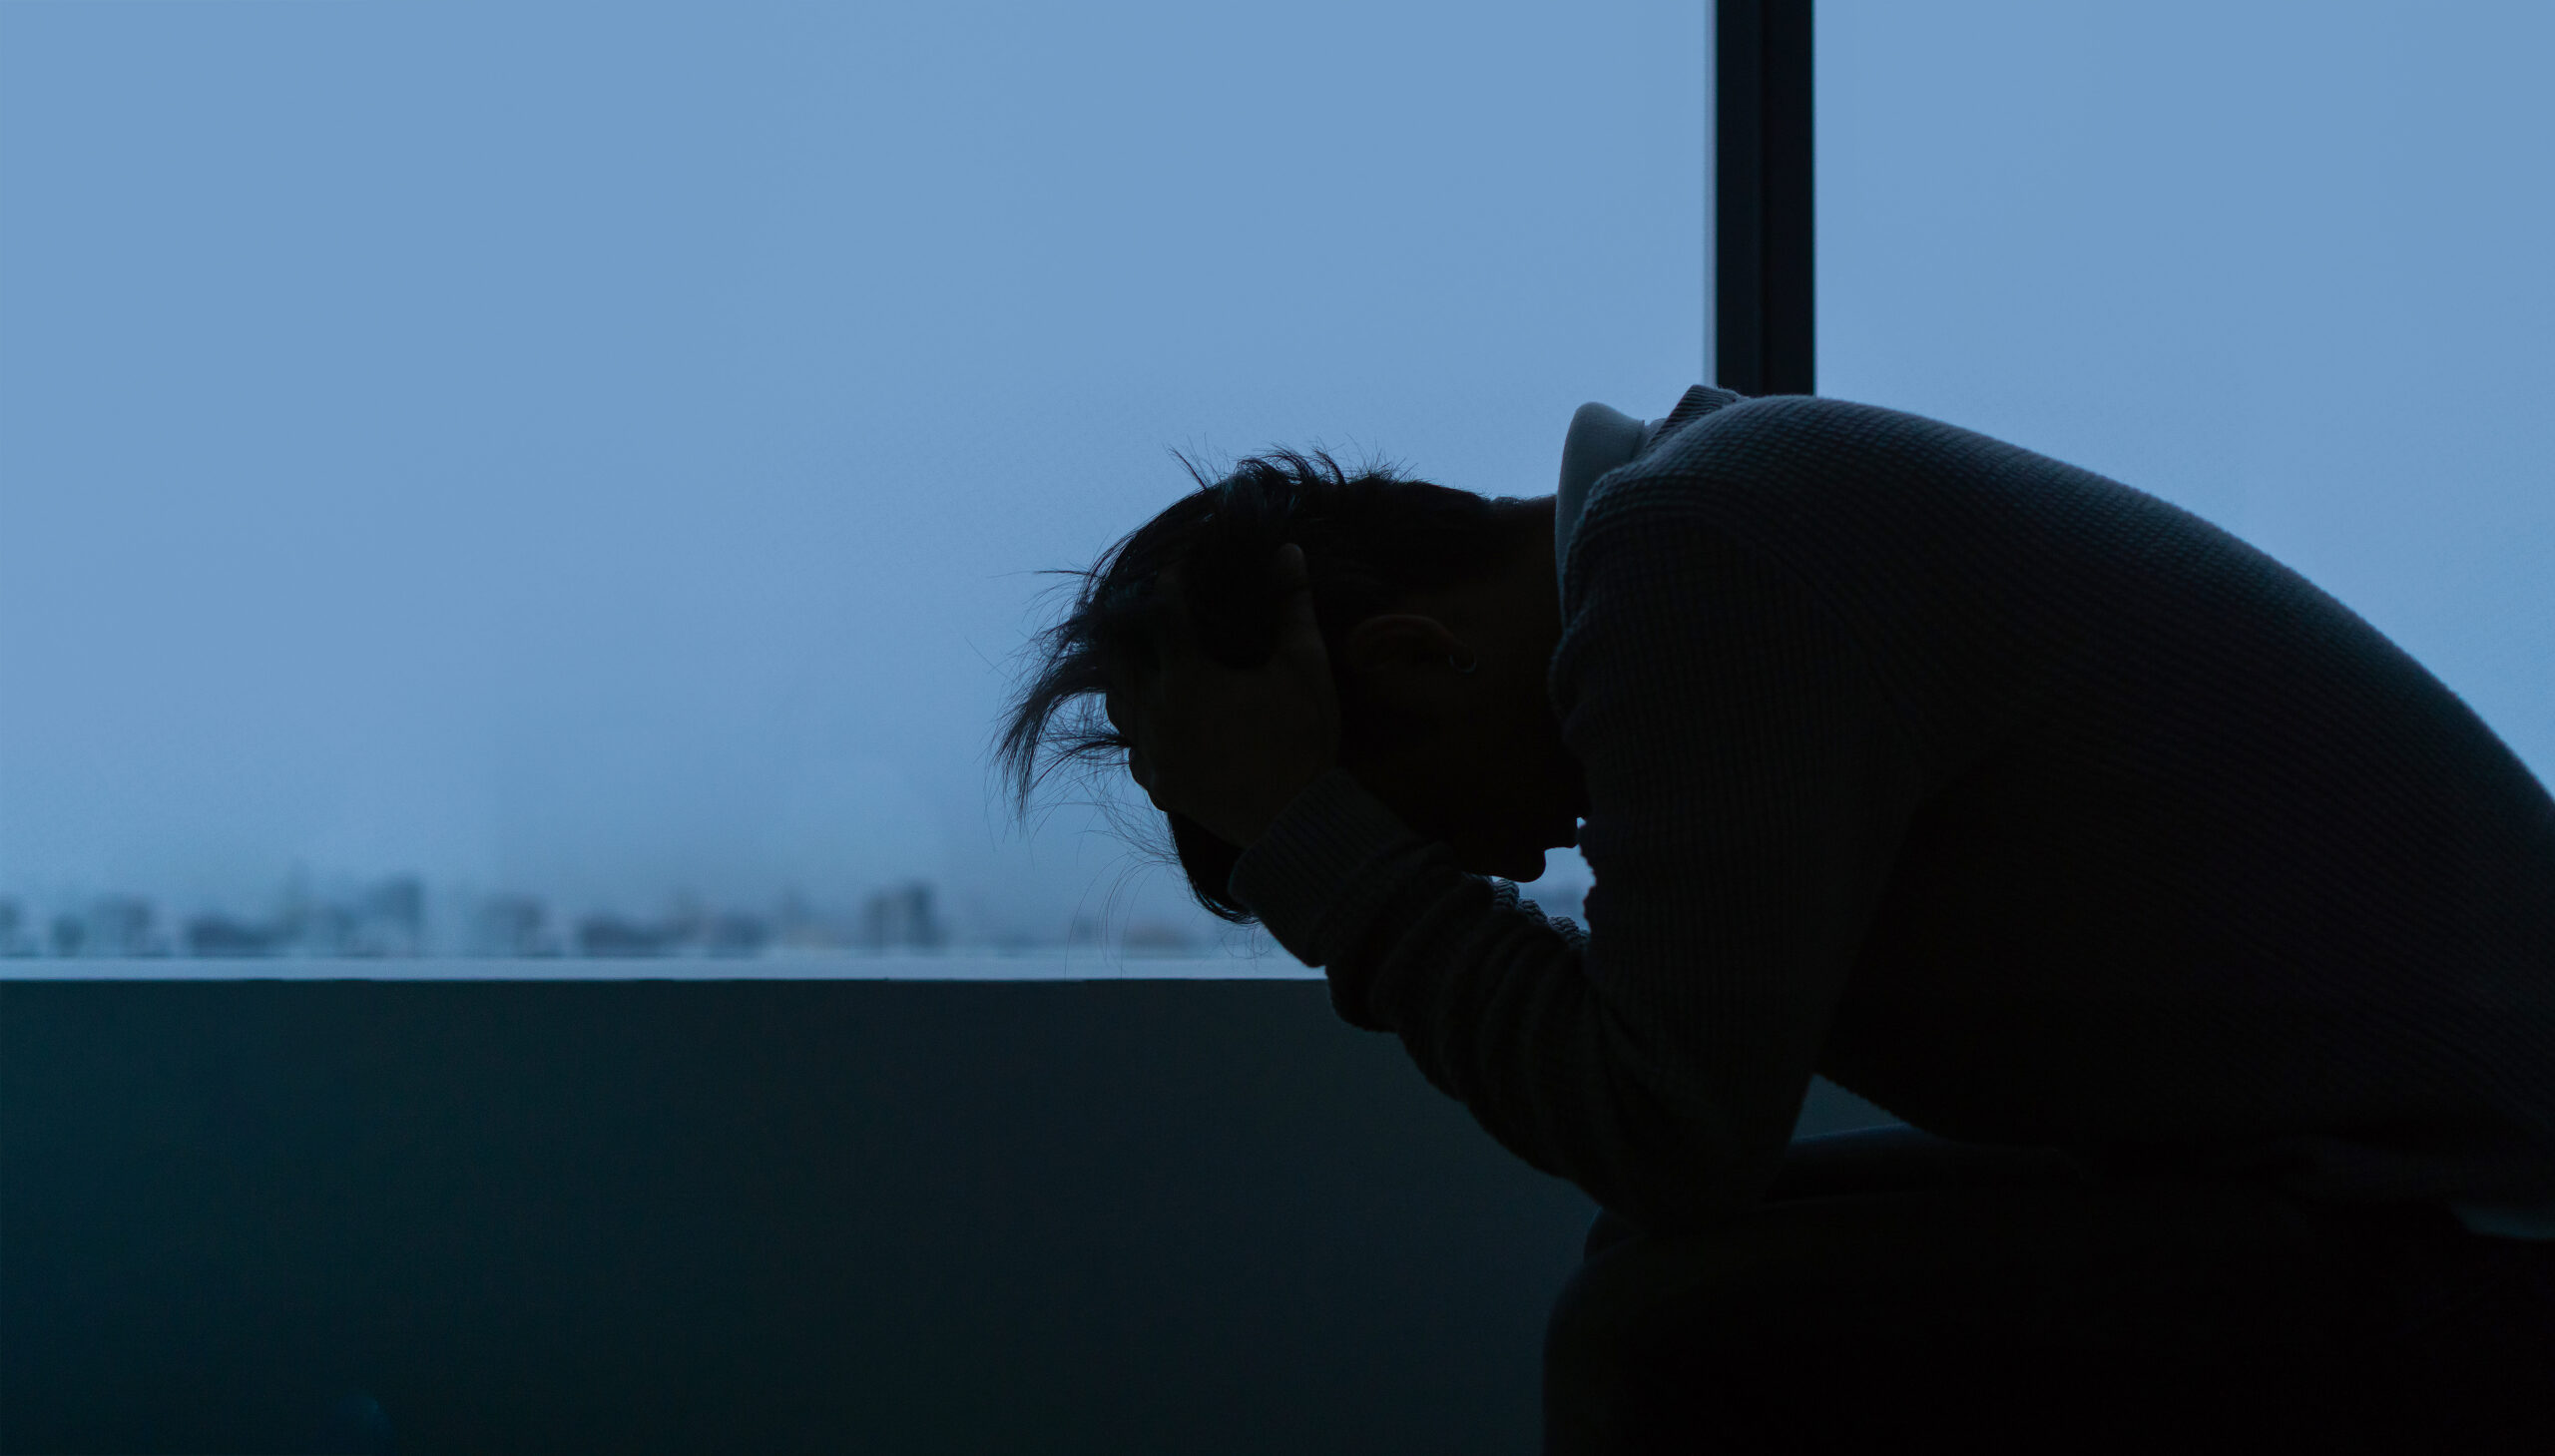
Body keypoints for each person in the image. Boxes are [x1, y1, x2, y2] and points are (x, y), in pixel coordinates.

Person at [996, 385, 2555, 1452]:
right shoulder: (1725, 510)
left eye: (1433, 832)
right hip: (2393, 1176)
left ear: (1416, 663)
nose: (1514, 859)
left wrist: (1324, 856)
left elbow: (1671, 1122)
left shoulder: (1700, 562)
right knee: (1674, 1277)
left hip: (2487, 1219)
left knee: (1666, 1336)